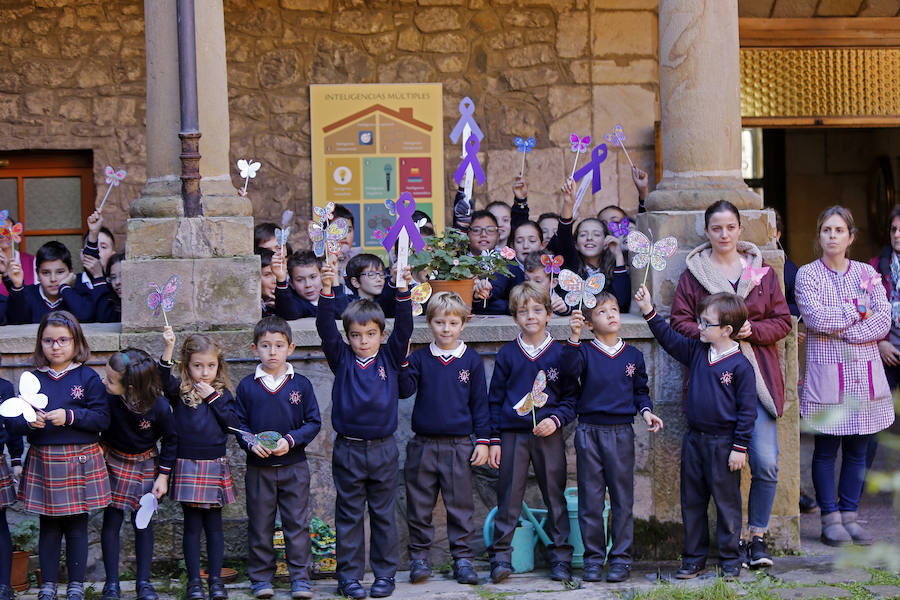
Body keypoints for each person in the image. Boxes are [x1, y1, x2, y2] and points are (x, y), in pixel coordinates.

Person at [669, 200, 791, 569]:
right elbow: (679, 322)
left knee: (766, 462)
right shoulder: (694, 276)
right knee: (719, 475)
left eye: (730, 227)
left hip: (758, 377)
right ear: (707, 232)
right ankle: (730, 543)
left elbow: (783, 320)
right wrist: (716, 335)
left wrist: (753, 331)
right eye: (716, 228)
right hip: (714, 382)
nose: (724, 234)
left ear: (740, 230)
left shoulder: (762, 273)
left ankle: (757, 536)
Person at [635, 287, 755, 580]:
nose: (699, 327)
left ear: (727, 330)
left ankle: (730, 559)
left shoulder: (741, 367)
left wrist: (739, 447)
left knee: (727, 504)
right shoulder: (698, 351)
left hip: (724, 444)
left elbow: (747, 412)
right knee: (692, 502)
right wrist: (649, 310)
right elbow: (670, 340)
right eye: (700, 321)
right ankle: (693, 558)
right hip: (694, 440)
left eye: (705, 323)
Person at [795, 205, 894, 547]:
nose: (832, 236)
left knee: (858, 447)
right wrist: (856, 311)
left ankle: (850, 515)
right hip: (826, 372)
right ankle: (829, 518)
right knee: (825, 449)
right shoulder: (808, 275)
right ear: (819, 236)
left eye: (839, 230)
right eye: (826, 230)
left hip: (863, 371)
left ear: (850, 237)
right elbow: (816, 317)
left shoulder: (867, 274)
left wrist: (849, 330)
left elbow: (883, 319)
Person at [316, 257, 413, 600]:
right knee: (349, 515)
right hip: (349, 449)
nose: (363, 341)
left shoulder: (389, 356)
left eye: (370, 334)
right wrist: (327, 290)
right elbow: (325, 327)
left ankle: (385, 576)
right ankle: (350, 578)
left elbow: (405, 327)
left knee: (384, 513)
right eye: (356, 335)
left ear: (380, 335)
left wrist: (402, 289)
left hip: (384, 448)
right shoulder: (341, 358)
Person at [563, 294, 663, 583]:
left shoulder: (633, 356)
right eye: (601, 312)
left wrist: (646, 412)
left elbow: (640, 391)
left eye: (615, 309)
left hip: (621, 433)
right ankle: (593, 560)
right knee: (591, 500)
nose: (610, 315)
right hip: (588, 432)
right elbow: (567, 377)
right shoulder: (583, 352)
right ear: (591, 324)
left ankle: (620, 559)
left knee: (622, 499)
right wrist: (573, 336)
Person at [12, 311, 111, 600]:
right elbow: (14, 422)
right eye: (48, 340)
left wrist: (70, 416)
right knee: (49, 525)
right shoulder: (32, 380)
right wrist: (29, 422)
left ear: (76, 341)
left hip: (79, 458)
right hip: (44, 459)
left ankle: (76, 586)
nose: (56, 346)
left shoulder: (88, 377)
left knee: (77, 524)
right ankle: (47, 586)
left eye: (63, 340)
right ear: (40, 343)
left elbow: (101, 419)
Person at [487, 282, 576, 584]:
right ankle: (501, 558)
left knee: (555, 495)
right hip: (513, 435)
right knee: (509, 495)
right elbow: (495, 400)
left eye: (538, 310)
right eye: (523, 312)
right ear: (515, 318)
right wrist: (494, 439)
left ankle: (561, 557)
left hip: (548, 434)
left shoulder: (561, 354)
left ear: (550, 314)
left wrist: (557, 420)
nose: (531, 316)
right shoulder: (508, 354)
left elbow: (572, 399)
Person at [399, 292, 490, 586]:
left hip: (459, 445)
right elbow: (403, 390)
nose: (446, 329)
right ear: (429, 324)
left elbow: (480, 404)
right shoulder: (420, 358)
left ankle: (462, 560)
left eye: (452, 322)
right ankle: (419, 559)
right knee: (420, 505)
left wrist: (484, 441)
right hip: (423, 444)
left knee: (460, 506)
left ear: (463, 324)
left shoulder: (471, 360)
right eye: (439, 322)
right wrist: (402, 359)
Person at [235, 316, 321, 600]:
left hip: (294, 467)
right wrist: (250, 443)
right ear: (254, 348)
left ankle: (300, 578)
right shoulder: (247, 386)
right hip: (259, 469)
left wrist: (290, 441)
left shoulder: (302, 384)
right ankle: (261, 579)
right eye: (265, 345)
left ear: (291, 348)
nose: (272, 352)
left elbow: (313, 422)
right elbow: (239, 425)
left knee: (296, 524)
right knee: (260, 524)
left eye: (279, 345)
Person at [159, 328, 239, 600]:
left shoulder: (223, 394)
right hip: (187, 464)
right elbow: (160, 379)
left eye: (210, 366)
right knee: (192, 526)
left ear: (219, 366)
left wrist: (212, 398)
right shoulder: (180, 392)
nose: (204, 372)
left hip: (213, 464)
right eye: (197, 366)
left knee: (214, 527)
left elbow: (232, 425)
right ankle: (194, 582)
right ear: (186, 365)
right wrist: (168, 348)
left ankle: (216, 581)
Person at [99, 349, 177, 600]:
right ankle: (112, 584)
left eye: (110, 380)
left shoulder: (160, 407)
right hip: (113, 461)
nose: (105, 382)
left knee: (143, 522)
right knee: (111, 521)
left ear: (131, 387)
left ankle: (144, 582)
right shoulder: (107, 398)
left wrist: (163, 476)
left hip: (145, 464)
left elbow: (171, 440)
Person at [557, 179, 631, 312]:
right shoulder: (570, 264)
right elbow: (563, 234)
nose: (589, 238)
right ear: (576, 244)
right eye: (583, 234)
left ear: (605, 242)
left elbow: (622, 301)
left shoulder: (613, 268)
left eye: (596, 234)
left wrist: (618, 255)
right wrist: (568, 204)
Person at [5, 241, 95, 324]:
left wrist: (64, 288)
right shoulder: (27, 294)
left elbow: (86, 317)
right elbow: (16, 321)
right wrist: (17, 286)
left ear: (70, 271)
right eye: (46, 273)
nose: (53, 279)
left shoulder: (79, 292)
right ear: (37, 274)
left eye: (60, 272)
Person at [0, 366, 23, 600]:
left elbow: (13, 427)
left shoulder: (4, 388)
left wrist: (16, 460)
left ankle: (3, 586)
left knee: (0, 524)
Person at [466, 211, 513, 315]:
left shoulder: (506, 262)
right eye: (476, 230)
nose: (483, 235)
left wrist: (486, 292)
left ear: (498, 235)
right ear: (467, 234)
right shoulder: (460, 262)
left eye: (490, 230)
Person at [93, 252, 123, 323]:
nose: (117, 282)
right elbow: (104, 317)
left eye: (122, 275)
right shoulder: (113, 307)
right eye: (113, 277)